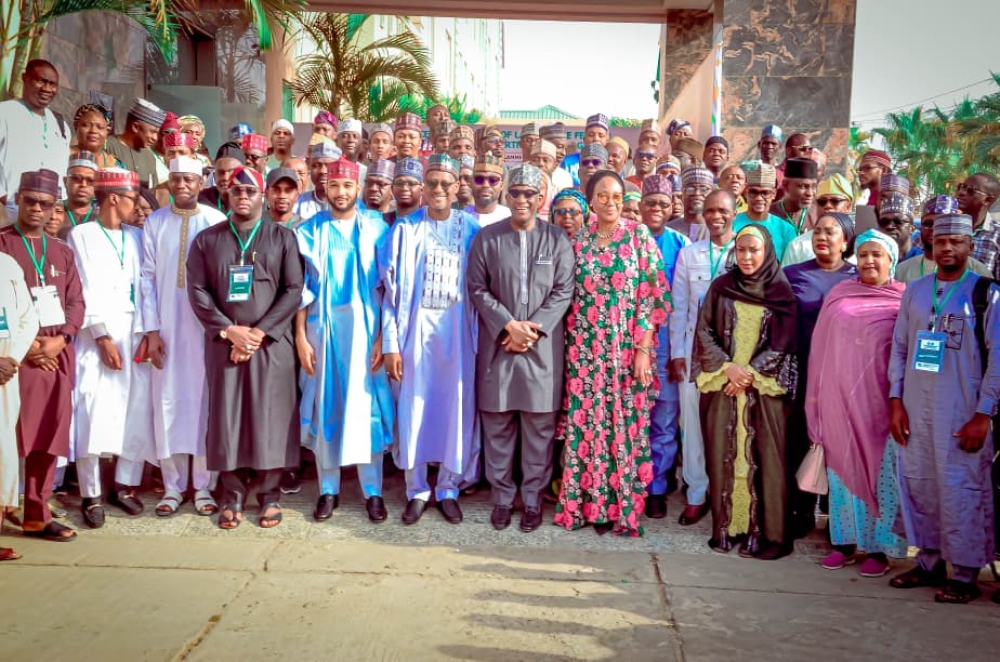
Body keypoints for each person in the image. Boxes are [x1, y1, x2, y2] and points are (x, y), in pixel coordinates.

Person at [888, 213, 999, 604]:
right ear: (930, 246)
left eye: (957, 242)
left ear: (971, 246)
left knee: (961, 489)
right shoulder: (915, 290)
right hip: (916, 409)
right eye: (940, 242)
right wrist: (896, 401)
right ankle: (928, 563)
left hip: (962, 411)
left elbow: (999, 358)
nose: (948, 248)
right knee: (920, 484)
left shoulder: (987, 293)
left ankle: (966, 574)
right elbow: (900, 348)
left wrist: (984, 415)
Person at [186, 166, 303, 530]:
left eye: (250, 191)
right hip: (224, 345)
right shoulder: (207, 240)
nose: (243, 197)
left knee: (272, 416)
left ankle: (269, 494)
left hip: (271, 345)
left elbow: (293, 289)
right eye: (236, 190)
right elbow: (198, 291)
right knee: (228, 418)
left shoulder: (282, 238)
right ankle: (232, 494)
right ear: (227, 194)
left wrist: (259, 333)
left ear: (263, 195)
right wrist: (229, 331)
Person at [555, 170, 669, 537]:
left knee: (624, 429)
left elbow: (652, 296)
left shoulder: (638, 236)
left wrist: (642, 349)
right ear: (590, 200)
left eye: (617, 195)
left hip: (625, 350)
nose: (610, 201)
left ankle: (621, 509)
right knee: (588, 428)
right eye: (602, 195)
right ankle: (586, 506)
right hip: (584, 352)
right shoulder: (578, 240)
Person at [466, 164, 575, 532]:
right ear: (506, 195)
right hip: (499, 346)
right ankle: (501, 499)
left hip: (542, 350)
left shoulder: (557, 239)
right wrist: (508, 326)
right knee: (497, 424)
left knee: (539, 429)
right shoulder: (488, 238)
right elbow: (477, 288)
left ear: (541, 197)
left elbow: (563, 290)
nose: (523, 199)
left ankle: (531, 501)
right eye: (517, 193)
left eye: (531, 193)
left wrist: (532, 330)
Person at [382, 154, 481, 525]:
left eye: (446, 183)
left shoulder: (470, 229)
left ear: (457, 188)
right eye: (432, 183)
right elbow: (388, 294)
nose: (438, 190)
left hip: (458, 338)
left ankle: (449, 488)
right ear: (422, 188)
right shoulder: (405, 231)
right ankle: (417, 489)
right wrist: (391, 343)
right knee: (415, 411)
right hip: (415, 337)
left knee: (456, 409)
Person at [807, 228, 908, 577]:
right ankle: (844, 543)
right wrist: (816, 403)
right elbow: (819, 349)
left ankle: (879, 550)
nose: (868, 261)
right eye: (863, 254)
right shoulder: (839, 295)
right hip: (837, 400)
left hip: (882, 404)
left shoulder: (904, 299)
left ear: (891, 260)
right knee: (841, 470)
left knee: (883, 475)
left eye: (877, 254)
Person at [694, 224, 798, 560]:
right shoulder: (721, 287)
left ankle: (769, 536)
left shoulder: (780, 292)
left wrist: (751, 373)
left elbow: (783, 341)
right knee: (723, 455)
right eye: (741, 250)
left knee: (768, 461)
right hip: (724, 384)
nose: (748, 256)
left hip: (764, 389)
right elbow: (704, 330)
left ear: (767, 251)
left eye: (754, 250)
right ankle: (729, 528)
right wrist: (728, 368)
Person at [140, 156, 227, 517]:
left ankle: (205, 487)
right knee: (168, 404)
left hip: (206, 330)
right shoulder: (155, 222)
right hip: (167, 330)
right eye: (176, 180)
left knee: (206, 405)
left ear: (200, 181)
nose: (182, 186)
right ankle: (173, 486)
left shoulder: (215, 220)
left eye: (189, 180)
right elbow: (146, 278)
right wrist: (151, 330)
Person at [0, 169, 84, 542]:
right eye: (30, 201)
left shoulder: (63, 250)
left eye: (45, 204)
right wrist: (30, 345)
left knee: (47, 436)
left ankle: (36, 512)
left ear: (55, 207)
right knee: (7, 437)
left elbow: (76, 303)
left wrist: (61, 340)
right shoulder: (2, 246)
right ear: (18, 199)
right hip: (14, 357)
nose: (37, 209)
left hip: (55, 355)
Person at [67, 167, 151, 529]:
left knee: (134, 409)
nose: (138, 206)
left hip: (134, 330)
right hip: (95, 336)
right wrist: (101, 336)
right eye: (134, 199)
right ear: (114, 198)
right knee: (93, 410)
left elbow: (147, 286)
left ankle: (125, 485)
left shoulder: (136, 235)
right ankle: (91, 493)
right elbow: (82, 286)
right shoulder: (82, 234)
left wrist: (150, 331)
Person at [783, 212, 858, 537]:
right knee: (799, 439)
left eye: (831, 232)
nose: (822, 237)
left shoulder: (857, 279)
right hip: (802, 371)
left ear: (846, 241)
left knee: (839, 443)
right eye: (817, 232)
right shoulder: (791, 275)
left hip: (843, 375)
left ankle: (834, 516)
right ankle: (800, 510)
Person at [669, 189, 738, 526]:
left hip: (733, 358)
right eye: (710, 211)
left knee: (729, 428)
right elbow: (679, 307)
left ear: (734, 212)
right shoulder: (689, 253)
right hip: (695, 357)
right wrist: (677, 353)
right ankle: (696, 493)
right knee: (693, 427)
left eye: (722, 210)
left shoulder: (746, 250)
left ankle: (727, 495)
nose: (716, 217)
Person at [640, 175, 690, 518]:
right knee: (631, 417)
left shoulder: (681, 244)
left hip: (666, 343)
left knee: (665, 418)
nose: (656, 209)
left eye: (663, 203)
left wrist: (678, 352)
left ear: (673, 207)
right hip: (629, 344)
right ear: (640, 206)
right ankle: (629, 484)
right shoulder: (625, 239)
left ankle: (657, 486)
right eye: (650, 203)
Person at [0, 250, 37, 560]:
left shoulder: (8, 264)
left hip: (5, 372)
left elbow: (28, 317)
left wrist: (12, 358)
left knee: (3, 452)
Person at [0, 59, 72, 216]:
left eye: (53, 84)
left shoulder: (61, 125)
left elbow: (61, 171)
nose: (47, 89)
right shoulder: (5, 113)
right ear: (24, 78)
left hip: (49, 216)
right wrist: (3, 197)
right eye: (41, 81)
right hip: (11, 211)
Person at [896, 196, 990, 283]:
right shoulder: (902, 270)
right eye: (927, 224)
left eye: (940, 224)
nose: (933, 228)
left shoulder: (978, 271)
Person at [781, 173, 855, 267]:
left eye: (835, 201)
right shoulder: (799, 245)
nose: (828, 206)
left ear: (848, 206)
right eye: (822, 202)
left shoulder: (861, 244)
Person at [734, 164, 797, 261]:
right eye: (753, 192)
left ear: (774, 194)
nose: (759, 198)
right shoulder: (731, 224)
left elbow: (789, 266)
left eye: (765, 193)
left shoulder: (786, 230)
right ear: (746, 193)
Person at [104, 98, 166, 191]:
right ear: (135, 127)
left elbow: (153, 193)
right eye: (153, 132)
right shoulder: (107, 146)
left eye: (157, 133)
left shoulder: (149, 156)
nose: (155, 138)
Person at [957, 172, 1000, 280]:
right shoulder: (942, 226)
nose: (961, 192)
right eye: (961, 187)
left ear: (987, 200)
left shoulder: (997, 236)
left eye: (970, 190)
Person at [294, 139, 341, 221]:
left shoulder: (348, 205)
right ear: (310, 168)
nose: (323, 171)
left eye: (329, 165)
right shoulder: (297, 203)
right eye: (316, 165)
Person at [771, 157, 818, 234]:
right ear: (785, 185)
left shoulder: (818, 216)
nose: (810, 193)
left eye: (813, 186)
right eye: (803, 186)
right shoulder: (769, 214)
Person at [561, 114, 610, 188]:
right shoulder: (568, 162)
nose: (596, 139)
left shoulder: (611, 163)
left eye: (601, 135)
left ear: (607, 139)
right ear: (584, 139)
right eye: (591, 135)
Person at [666, 167, 713, 243]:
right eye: (690, 189)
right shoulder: (668, 231)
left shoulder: (720, 230)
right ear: (682, 194)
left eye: (704, 189)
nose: (697, 193)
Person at [71, 104, 121, 169]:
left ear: (107, 131)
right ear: (76, 126)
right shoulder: (63, 154)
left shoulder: (116, 165)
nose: (93, 131)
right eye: (86, 125)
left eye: (100, 127)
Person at [466, 154, 509, 226]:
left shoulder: (510, 218)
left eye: (493, 180)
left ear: (501, 186)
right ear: (470, 183)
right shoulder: (459, 218)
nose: (486, 185)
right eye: (479, 179)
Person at [62, 152, 98, 232]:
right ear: (65, 182)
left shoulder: (103, 218)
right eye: (77, 178)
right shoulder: (52, 213)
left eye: (90, 180)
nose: (83, 184)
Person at [877, 192, 918, 261]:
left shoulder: (924, 261)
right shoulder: (872, 259)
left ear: (912, 229)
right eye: (884, 222)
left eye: (898, 221)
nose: (889, 226)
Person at [384, 157, 423, 226]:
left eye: (411, 184)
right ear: (392, 189)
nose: (404, 188)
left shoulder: (428, 223)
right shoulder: (381, 222)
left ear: (422, 190)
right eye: (399, 183)